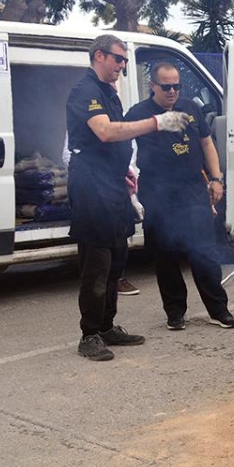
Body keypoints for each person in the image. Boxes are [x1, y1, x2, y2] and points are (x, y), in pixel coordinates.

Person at [66, 34, 187, 361]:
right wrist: (156, 123)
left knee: (117, 259)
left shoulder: (108, 91)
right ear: (99, 56)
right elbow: (105, 131)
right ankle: (89, 334)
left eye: (123, 60)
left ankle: (107, 326)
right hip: (91, 187)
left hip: (113, 184)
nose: (122, 65)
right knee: (97, 263)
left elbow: (114, 141)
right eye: (118, 58)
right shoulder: (86, 91)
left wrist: (125, 171)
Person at [125, 62, 234, 331]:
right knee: (165, 258)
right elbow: (123, 147)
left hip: (192, 192)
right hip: (157, 193)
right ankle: (175, 313)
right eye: (166, 86)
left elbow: (206, 143)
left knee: (205, 255)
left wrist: (216, 178)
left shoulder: (191, 108)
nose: (172, 91)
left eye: (177, 85)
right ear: (153, 86)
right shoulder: (138, 114)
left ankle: (219, 310)